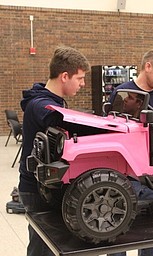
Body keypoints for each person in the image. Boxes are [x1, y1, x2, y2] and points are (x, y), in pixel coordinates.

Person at [18, 46, 90, 256]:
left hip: (45, 187)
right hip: (37, 190)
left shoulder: (51, 100)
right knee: (43, 249)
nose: (83, 84)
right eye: (80, 78)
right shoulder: (42, 105)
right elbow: (61, 119)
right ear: (65, 76)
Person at [108, 49, 153, 256]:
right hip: (125, 176)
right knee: (117, 230)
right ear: (147, 66)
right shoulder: (122, 93)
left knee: (151, 232)